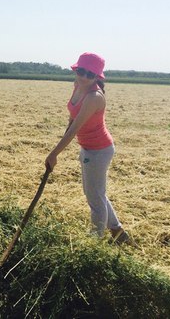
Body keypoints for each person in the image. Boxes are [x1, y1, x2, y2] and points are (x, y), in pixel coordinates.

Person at [45, 52, 131, 244]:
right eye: (81, 71)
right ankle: (118, 232)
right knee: (94, 193)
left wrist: (54, 153)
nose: (84, 77)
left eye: (90, 75)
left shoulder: (94, 96)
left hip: (99, 150)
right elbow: (72, 118)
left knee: (95, 198)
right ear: (76, 70)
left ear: (97, 77)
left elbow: (76, 128)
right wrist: (59, 144)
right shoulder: (78, 86)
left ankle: (95, 242)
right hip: (88, 148)